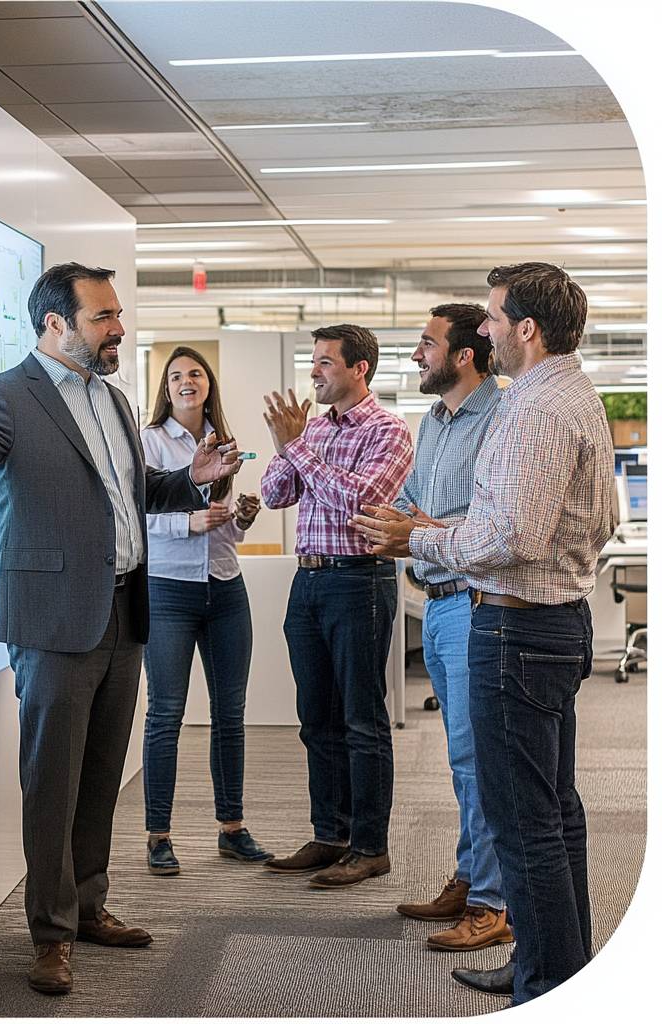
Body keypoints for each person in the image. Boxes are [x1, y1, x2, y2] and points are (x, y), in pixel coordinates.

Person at [0, 263, 243, 996]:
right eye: (102, 318)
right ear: (55, 324)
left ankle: (90, 906)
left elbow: (134, 490)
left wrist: (192, 478)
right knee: (51, 783)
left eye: (117, 315)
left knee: (100, 776)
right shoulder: (4, 396)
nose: (117, 328)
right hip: (53, 619)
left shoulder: (117, 401)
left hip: (125, 611)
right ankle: (50, 935)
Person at [352, 263, 615, 1005]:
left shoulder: (531, 410)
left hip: (517, 630)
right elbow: (585, 524)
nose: (487, 331)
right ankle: (557, 963)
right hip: (553, 623)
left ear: (526, 328)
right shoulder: (570, 392)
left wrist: (420, 541)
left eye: (495, 319)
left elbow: (515, 536)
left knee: (526, 820)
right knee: (554, 813)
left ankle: (544, 983)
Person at [259, 324, 413, 889]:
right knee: (316, 719)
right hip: (309, 583)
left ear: (359, 368)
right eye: (314, 362)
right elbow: (276, 493)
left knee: (361, 719)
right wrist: (292, 445)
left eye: (326, 362)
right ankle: (331, 835)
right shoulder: (315, 429)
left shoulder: (389, 430)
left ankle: (370, 846)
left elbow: (362, 502)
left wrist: (297, 447)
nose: (315, 372)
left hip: (359, 581)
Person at [381, 304, 511, 953]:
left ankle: (492, 901)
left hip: (475, 601)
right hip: (435, 602)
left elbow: (491, 524)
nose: (415, 356)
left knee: (478, 756)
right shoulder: (433, 421)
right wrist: (388, 521)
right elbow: (415, 501)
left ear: (464, 354)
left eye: (425, 344)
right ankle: (472, 874)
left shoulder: (503, 419)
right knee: (461, 760)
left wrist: (420, 531)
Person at [140, 346, 270, 876]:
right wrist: (184, 524)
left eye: (195, 373)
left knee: (230, 715)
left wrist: (241, 517)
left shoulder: (226, 443)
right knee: (165, 714)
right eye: (176, 376)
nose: (186, 381)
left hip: (224, 589)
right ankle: (158, 836)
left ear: (208, 384)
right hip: (167, 590)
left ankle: (231, 829)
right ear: (166, 389)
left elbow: (225, 531)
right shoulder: (147, 441)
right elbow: (133, 516)